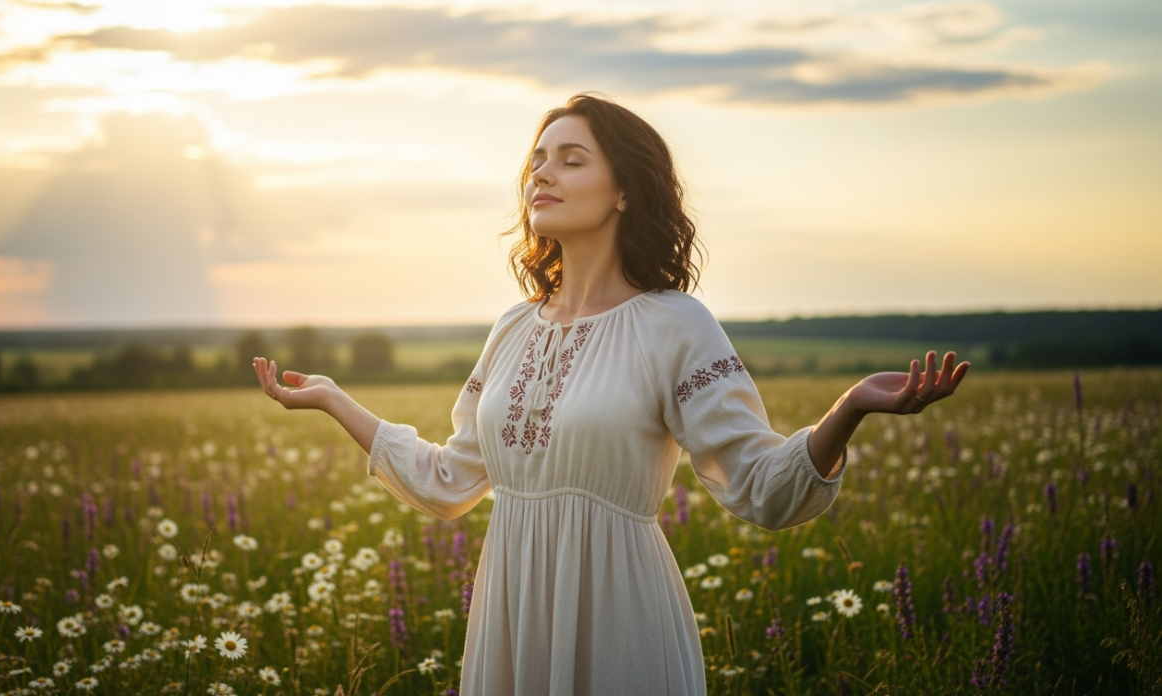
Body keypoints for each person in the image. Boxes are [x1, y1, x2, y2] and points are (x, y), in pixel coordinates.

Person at [252, 93, 969, 695]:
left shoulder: (674, 324)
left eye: (571, 159)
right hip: (512, 621)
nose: (543, 173)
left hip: (620, 621)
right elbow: (448, 481)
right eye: (537, 158)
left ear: (624, 189)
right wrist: (333, 399)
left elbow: (757, 485)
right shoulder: (512, 329)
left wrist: (848, 409)